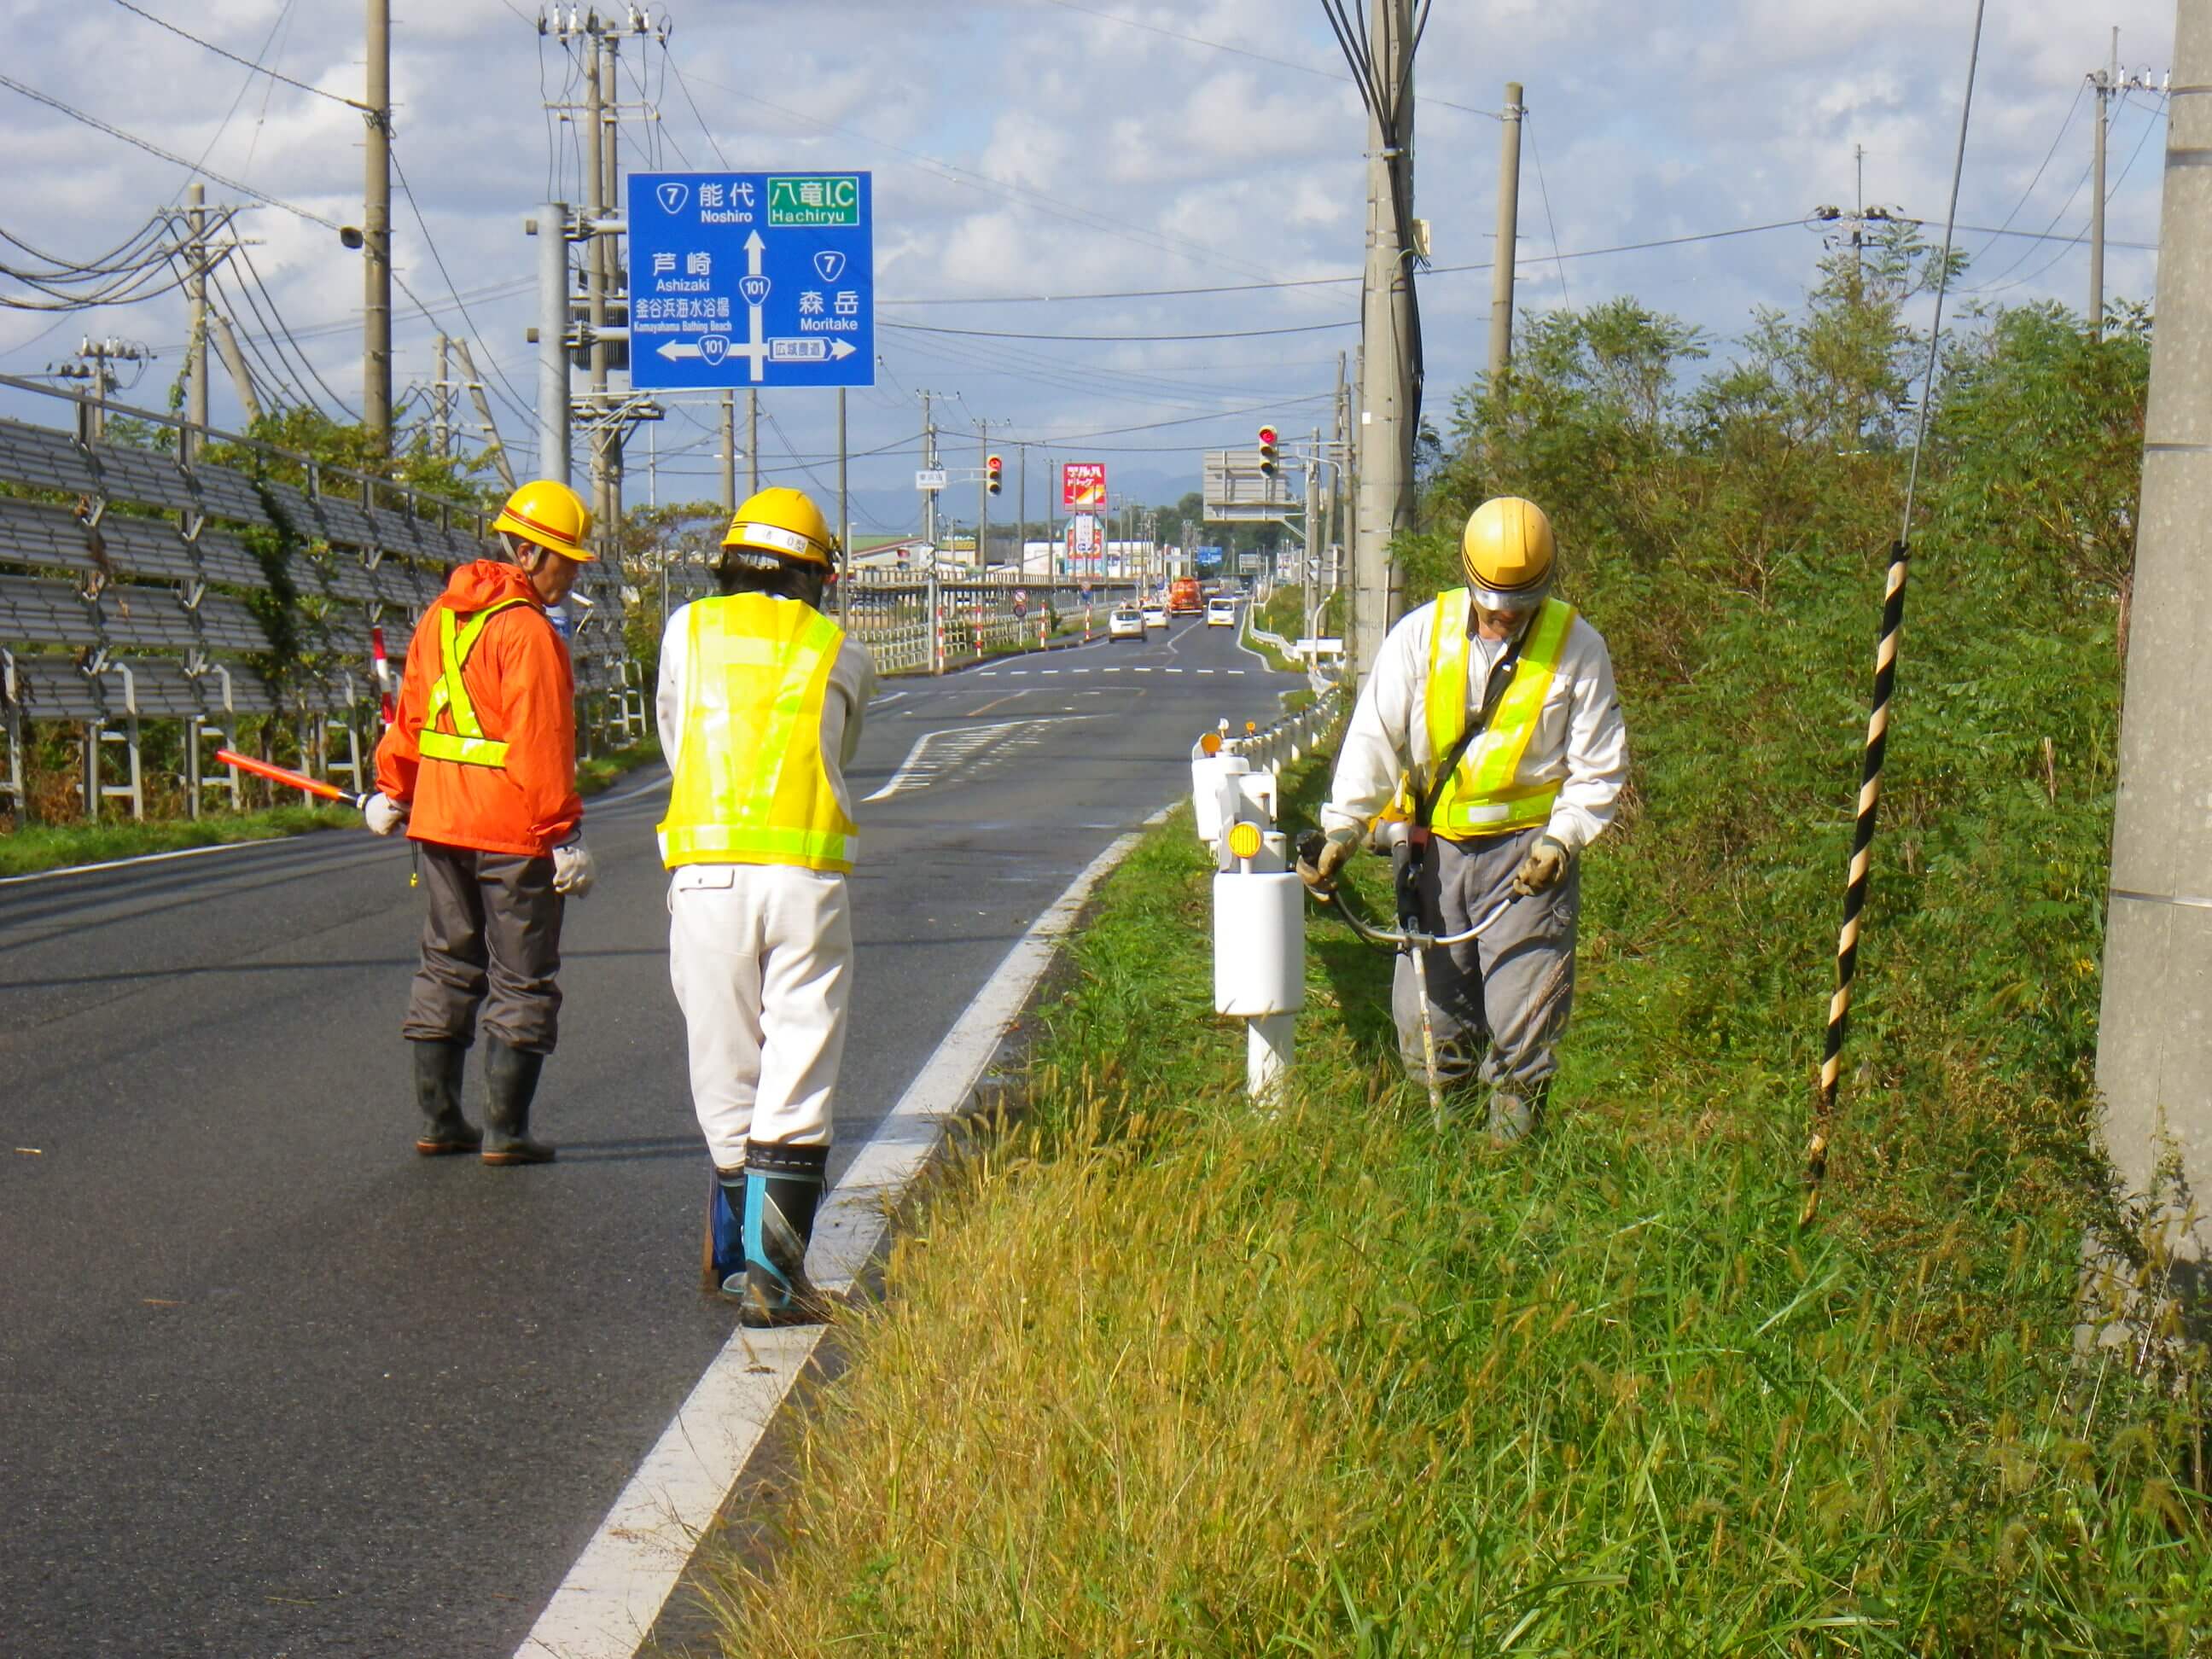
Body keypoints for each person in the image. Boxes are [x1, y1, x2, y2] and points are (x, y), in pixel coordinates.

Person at [1304, 496, 1627, 1144]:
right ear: (1468, 576)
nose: (1506, 613)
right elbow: (1374, 740)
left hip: (1529, 865)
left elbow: (1598, 768)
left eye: (1522, 599)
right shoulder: (1420, 636)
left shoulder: (1578, 648)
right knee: (1428, 1021)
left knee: (1521, 1021)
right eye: (1494, 598)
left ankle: (1509, 1166)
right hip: (1435, 858)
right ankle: (1446, 1153)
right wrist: (1344, 828)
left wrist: (1563, 840)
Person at [659, 487, 876, 1325]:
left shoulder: (687, 631)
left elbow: (675, 741)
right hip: (803, 877)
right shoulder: (840, 649)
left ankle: (726, 1257)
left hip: (707, 875)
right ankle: (775, 1283)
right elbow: (838, 753)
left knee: (725, 1069)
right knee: (798, 1071)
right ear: (815, 576)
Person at [367, 479, 599, 1166]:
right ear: (529, 554)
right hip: (513, 832)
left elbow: (411, 716)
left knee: (446, 962)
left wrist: (393, 789)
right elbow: (542, 740)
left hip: (438, 824)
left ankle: (440, 1121)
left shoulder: (441, 615)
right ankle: (506, 1131)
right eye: (567, 559)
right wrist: (563, 834)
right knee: (523, 976)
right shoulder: (528, 633)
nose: (573, 572)